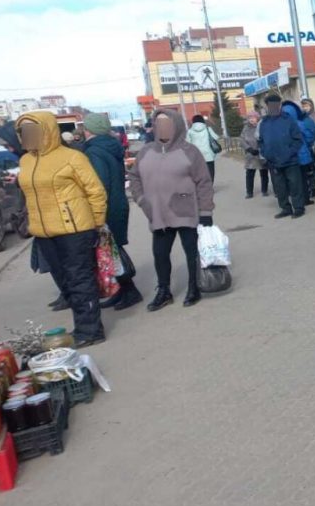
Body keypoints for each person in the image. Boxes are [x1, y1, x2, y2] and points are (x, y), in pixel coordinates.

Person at [15, 111, 108, 348]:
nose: (27, 136)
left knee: (80, 279)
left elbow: (95, 191)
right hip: (45, 232)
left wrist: (96, 223)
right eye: (22, 132)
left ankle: (90, 330)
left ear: (46, 131)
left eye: (31, 130)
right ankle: (83, 323)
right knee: (65, 281)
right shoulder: (26, 161)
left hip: (75, 229)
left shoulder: (72, 158)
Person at [129, 109, 215, 311]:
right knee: (160, 254)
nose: (163, 128)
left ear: (176, 125)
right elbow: (134, 177)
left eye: (167, 124)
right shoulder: (146, 151)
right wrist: (142, 199)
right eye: (159, 124)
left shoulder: (189, 151)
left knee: (192, 252)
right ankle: (164, 291)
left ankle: (194, 287)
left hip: (186, 210)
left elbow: (203, 182)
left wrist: (206, 212)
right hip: (157, 212)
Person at [82, 113, 143, 311]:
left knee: (110, 251)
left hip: (106, 206)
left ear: (89, 130)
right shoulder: (110, 146)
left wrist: (95, 212)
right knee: (112, 248)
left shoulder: (94, 151)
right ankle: (121, 291)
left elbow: (99, 184)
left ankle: (130, 291)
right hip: (117, 202)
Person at [258, 94, 307, 219]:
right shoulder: (264, 123)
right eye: (270, 105)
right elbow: (261, 141)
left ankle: (298, 208)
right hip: (273, 161)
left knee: (295, 185)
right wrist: (266, 153)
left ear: (279, 106)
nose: (273, 107)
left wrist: (290, 153)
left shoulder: (288, 120)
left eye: (276, 105)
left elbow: (298, 139)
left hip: (290, 160)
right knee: (279, 187)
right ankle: (285, 208)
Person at [282, 100, 315, 205]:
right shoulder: (300, 124)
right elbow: (309, 137)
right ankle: (306, 199)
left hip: (288, 156)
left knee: (292, 180)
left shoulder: (281, 125)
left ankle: (296, 201)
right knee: (303, 178)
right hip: (302, 155)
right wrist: (307, 145)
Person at [241, 111, 269, 198]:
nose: (252, 120)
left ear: (257, 118)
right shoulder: (245, 128)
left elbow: (266, 138)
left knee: (264, 172)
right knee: (249, 173)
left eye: (253, 117)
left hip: (261, 153)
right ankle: (249, 192)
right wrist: (248, 148)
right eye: (250, 118)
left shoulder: (262, 126)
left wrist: (262, 148)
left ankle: (264, 190)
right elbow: (241, 140)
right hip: (250, 154)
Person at [186, 115, 218, 182]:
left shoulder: (190, 131)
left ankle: (201, 185)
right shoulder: (208, 129)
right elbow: (216, 137)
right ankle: (210, 185)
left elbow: (188, 143)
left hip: (196, 155)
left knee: (198, 172)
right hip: (208, 154)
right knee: (210, 171)